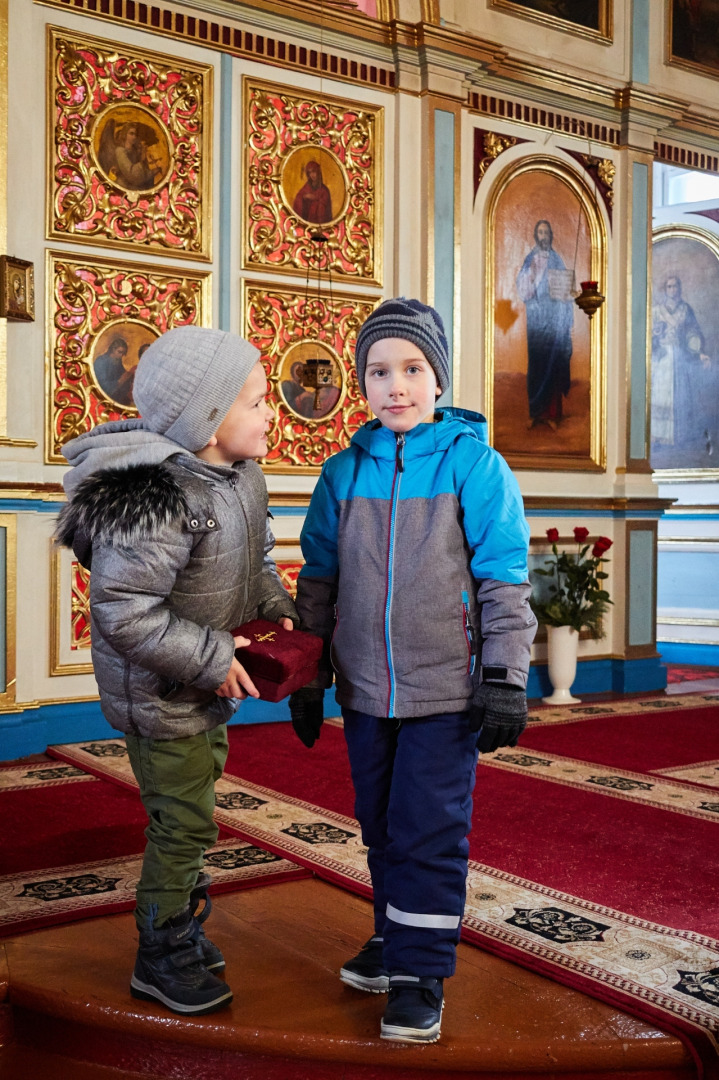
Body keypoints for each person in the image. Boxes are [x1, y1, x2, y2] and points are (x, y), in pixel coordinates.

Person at [289, 298, 536, 1044]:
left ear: (438, 379)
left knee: (427, 829)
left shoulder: (475, 465)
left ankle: (420, 970)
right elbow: (318, 583)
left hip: (445, 691)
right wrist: (307, 671)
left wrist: (503, 675)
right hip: (366, 691)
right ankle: (395, 937)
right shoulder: (340, 475)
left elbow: (502, 577)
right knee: (381, 826)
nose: (395, 385)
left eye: (411, 369)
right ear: (361, 384)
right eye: (377, 371)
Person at [55, 326, 298, 1017]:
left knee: (192, 805)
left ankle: (181, 920)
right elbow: (125, 613)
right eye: (255, 402)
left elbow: (250, 565)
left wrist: (274, 608)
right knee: (183, 823)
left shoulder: (239, 478)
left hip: (199, 688)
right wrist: (217, 657)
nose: (270, 414)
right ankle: (160, 949)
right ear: (205, 420)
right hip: (161, 692)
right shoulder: (158, 500)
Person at [516, 219, 575, 430]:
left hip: (554, 325)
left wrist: (567, 296)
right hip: (536, 325)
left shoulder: (557, 260)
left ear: (551, 236)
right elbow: (524, 291)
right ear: (536, 236)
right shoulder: (529, 260)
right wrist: (531, 273)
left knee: (554, 366)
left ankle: (552, 414)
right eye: (540, 232)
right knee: (537, 366)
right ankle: (537, 413)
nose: (543, 236)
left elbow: (565, 292)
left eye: (546, 232)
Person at [651, 274, 713, 452]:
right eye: (669, 287)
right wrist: (655, 335)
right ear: (665, 289)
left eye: (675, 286)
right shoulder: (656, 311)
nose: (672, 290)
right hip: (661, 359)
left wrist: (699, 352)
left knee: (681, 395)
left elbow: (692, 333)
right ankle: (659, 437)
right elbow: (647, 336)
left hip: (679, 358)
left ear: (680, 288)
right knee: (659, 395)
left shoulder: (686, 310)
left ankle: (680, 436)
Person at [93, 335, 135, 407]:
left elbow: (122, 374)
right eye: (119, 352)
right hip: (105, 398)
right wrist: (119, 382)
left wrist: (128, 375)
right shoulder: (101, 362)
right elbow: (101, 385)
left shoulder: (117, 361)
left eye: (123, 353)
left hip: (118, 396)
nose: (121, 355)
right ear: (113, 349)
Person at [292, 159, 333, 224]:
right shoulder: (306, 186)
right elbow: (299, 197)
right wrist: (304, 197)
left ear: (318, 172)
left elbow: (325, 209)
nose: (312, 175)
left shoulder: (324, 190)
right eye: (309, 173)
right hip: (306, 222)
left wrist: (315, 199)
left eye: (313, 172)